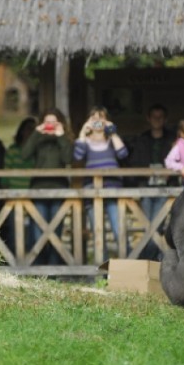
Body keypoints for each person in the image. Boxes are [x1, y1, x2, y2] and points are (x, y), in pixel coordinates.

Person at [123, 103, 177, 261]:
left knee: (156, 228)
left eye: (160, 117)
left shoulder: (171, 140)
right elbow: (134, 162)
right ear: (148, 118)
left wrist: (170, 174)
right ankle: (149, 262)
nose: (157, 120)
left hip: (164, 189)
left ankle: (146, 261)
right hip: (146, 188)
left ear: (165, 119)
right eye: (154, 117)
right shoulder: (142, 139)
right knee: (148, 227)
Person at [73, 106, 128, 259]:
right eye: (94, 118)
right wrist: (83, 133)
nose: (97, 121)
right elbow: (77, 157)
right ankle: (101, 275)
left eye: (101, 117)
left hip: (113, 190)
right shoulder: (85, 142)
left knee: (120, 231)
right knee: (98, 235)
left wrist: (113, 132)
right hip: (92, 192)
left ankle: (129, 272)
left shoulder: (112, 140)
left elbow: (123, 154)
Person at [21, 108, 74, 265]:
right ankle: (39, 271)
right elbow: (24, 155)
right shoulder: (37, 138)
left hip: (59, 189)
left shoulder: (64, 138)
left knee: (55, 234)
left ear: (60, 123)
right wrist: (37, 133)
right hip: (38, 189)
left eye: (53, 121)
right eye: (47, 121)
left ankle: (53, 272)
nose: (50, 125)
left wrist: (61, 136)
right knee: (38, 233)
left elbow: (68, 158)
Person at [2, 117, 37, 253]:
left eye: (33, 130)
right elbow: (5, 175)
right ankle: (14, 265)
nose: (30, 132)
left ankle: (33, 266)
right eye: (27, 128)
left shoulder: (37, 151)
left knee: (34, 234)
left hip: (33, 197)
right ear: (21, 131)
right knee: (14, 234)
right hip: (13, 196)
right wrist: (6, 195)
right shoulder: (12, 150)